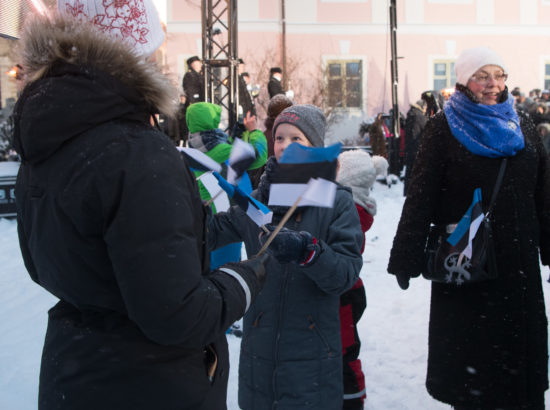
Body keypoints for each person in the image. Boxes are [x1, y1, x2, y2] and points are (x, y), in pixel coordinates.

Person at [12, 3, 269, 409]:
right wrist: (247, 278)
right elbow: (179, 314)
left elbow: (49, 263)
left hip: (77, 370)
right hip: (150, 381)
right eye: (151, 49)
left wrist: (209, 227)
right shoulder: (137, 153)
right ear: (132, 53)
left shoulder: (49, 140)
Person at [388, 46, 550, 409]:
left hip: (518, 271)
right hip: (467, 263)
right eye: (482, 76)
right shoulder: (443, 128)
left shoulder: (521, 124)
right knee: (474, 376)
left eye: (499, 75)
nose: (493, 84)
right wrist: (406, 255)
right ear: (464, 81)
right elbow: (420, 195)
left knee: (520, 376)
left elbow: (544, 192)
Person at [208, 104, 364, 409]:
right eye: (279, 138)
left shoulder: (336, 201)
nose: (284, 146)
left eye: (296, 139)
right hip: (258, 355)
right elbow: (215, 231)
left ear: (315, 147)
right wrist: (183, 205)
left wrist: (307, 252)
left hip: (311, 357)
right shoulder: (258, 199)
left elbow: (345, 272)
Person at [186, 101, 267, 269]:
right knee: (228, 267)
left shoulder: (193, 150)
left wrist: (235, 135)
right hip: (229, 215)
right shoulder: (226, 152)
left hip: (205, 217)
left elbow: (220, 149)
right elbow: (259, 154)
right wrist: (254, 131)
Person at [336, 149, 378, 410]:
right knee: (343, 349)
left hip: (345, 293)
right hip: (349, 290)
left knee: (345, 353)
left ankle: (352, 400)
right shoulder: (353, 206)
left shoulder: (350, 210)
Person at [403, 99, 428, 196]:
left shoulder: (410, 115)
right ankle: (415, 192)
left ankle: (407, 191)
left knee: (409, 171)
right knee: (417, 171)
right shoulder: (420, 116)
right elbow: (427, 129)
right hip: (417, 148)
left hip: (409, 148)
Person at [181, 55, 204, 141]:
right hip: (195, 104)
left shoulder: (199, 75)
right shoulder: (189, 75)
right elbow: (190, 91)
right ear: (193, 65)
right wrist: (193, 103)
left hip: (200, 103)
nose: (200, 65)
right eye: (198, 63)